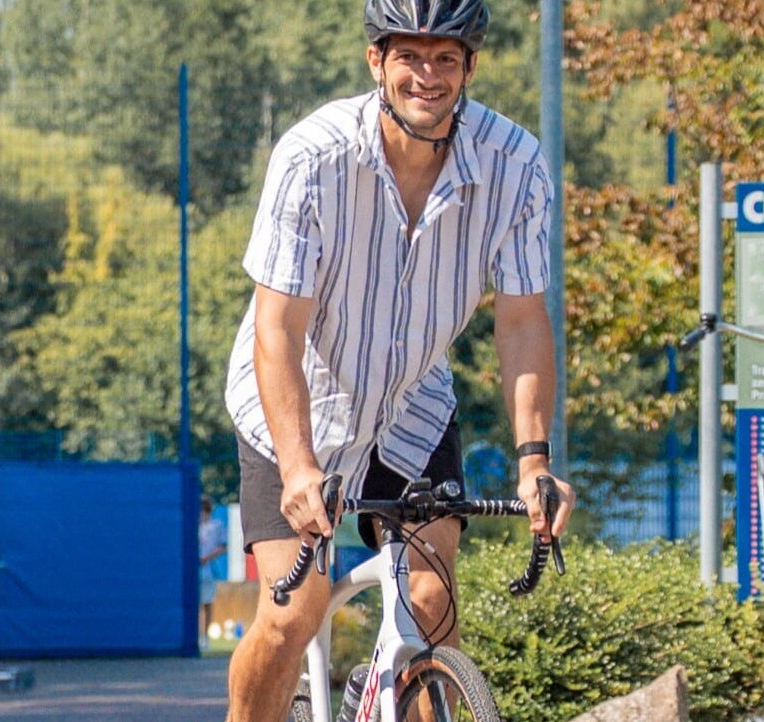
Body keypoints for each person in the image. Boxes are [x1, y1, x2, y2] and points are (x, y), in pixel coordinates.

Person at [222, 0, 576, 719]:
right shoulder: (313, 158)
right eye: (409, 56)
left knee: (431, 602)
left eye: (446, 58)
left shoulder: (515, 165)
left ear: (470, 66)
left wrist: (534, 461)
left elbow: (521, 320)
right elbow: (277, 330)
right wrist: (297, 468)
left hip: (411, 402)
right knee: (295, 613)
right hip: (297, 402)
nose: (428, 75)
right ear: (376, 62)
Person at [199, 498, 228, 643]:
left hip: (207, 569)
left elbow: (223, 546)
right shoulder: (192, 525)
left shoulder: (216, 526)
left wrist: (206, 558)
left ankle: (205, 637)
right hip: (192, 571)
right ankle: (197, 635)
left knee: (207, 602)